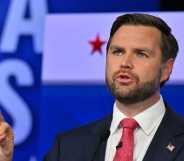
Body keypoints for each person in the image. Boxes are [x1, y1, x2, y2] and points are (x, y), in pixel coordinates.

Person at [43, 13, 184, 161]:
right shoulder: (67, 148)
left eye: (141, 54)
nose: (125, 62)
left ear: (166, 69)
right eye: (118, 51)